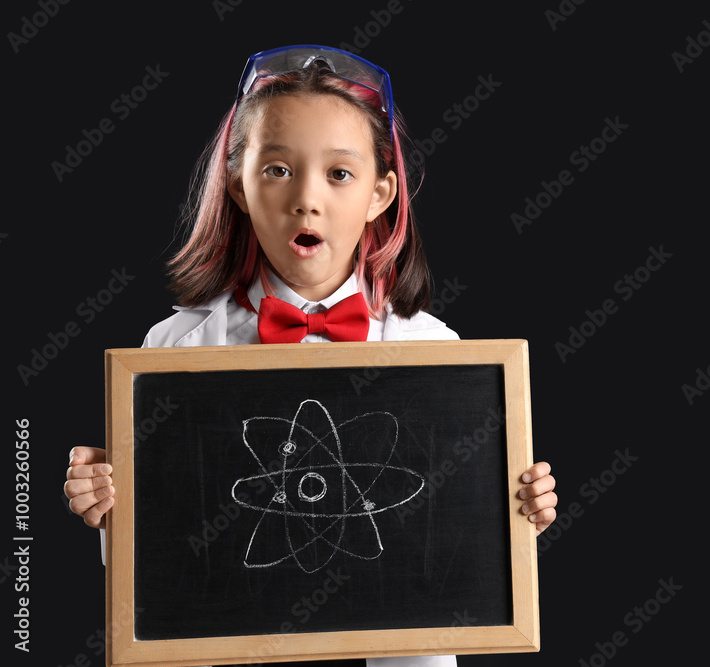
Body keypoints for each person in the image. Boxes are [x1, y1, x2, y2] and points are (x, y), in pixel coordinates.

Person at [63, 44, 557, 666]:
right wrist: (106, 510)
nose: (306, 198)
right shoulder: (174, 351)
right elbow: (157, 570)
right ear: (239, 185)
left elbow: (455, 553)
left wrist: (513, 518)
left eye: (339, 174)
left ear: (380, 194)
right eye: (277, 170)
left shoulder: (439, 353)